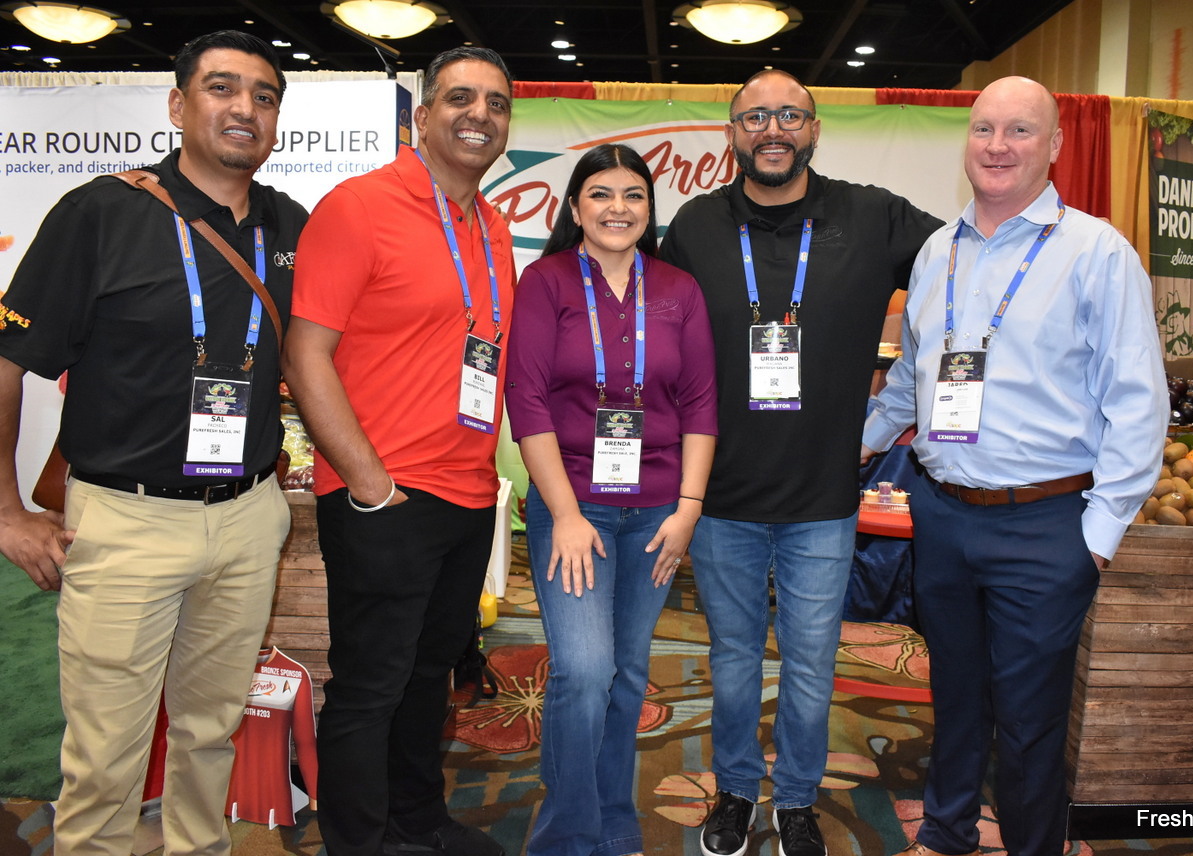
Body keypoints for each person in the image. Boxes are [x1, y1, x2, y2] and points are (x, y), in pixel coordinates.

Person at [0, 30, 305, 856]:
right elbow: (7, 364)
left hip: (246, 516)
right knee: (106, 755)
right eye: (222, 88)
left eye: (264, 95)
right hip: (125, 521)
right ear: (178, 104)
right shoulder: (101, 213)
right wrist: (6, 511)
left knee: (210, 733)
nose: (244, 108)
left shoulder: (288, 225)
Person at [861, 76, 1166, 856]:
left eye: (1020, 131)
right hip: (942, 514)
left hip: (1046, 525)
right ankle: (947, 830)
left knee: (1029, 719)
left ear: (1055, 144)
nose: (998, 147)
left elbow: (1139, 403)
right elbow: (915, 378)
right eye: (984, 129)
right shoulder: (937, 252)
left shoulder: (1097, 253)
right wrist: (854, 441)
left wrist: (1096, 538)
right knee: (955, 693)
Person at [659, 69, 943, 856]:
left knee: (813, 664)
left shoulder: (873, 216)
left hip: (824, 497)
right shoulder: (696, 227)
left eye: (790, 114)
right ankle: (734, 791)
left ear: (815, 129)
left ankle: (795, 801)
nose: (772, 129)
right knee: (732, 660)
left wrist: (895, 411)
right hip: (722, 497)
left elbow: (964, 264)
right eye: (754, 117)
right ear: (732, 133)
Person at [282, 46, 515, 856]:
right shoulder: (359, 206)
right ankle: (357, 840)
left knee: (429, 673)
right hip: (384, 495)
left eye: (495, 103)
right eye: (460, 98)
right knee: (371, 685)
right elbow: (305, 354)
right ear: (422, 116)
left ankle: (417, 821)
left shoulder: (493, 226)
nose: (479, 115)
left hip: (468, 494)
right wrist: (370, 485)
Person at [506, 143, 718, 856]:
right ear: (575, 208)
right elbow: (526, 401)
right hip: (574, 507)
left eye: (633, 195)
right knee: (584, 669)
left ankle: (613, 815)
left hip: (658, 512)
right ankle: (567, 835)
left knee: (627, 672)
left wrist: (688, 510)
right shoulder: (546, 282)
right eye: (600, 194)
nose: (617, 208)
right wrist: (565, 514)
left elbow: (700, 403)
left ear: (650, 210)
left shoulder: (679, 290)